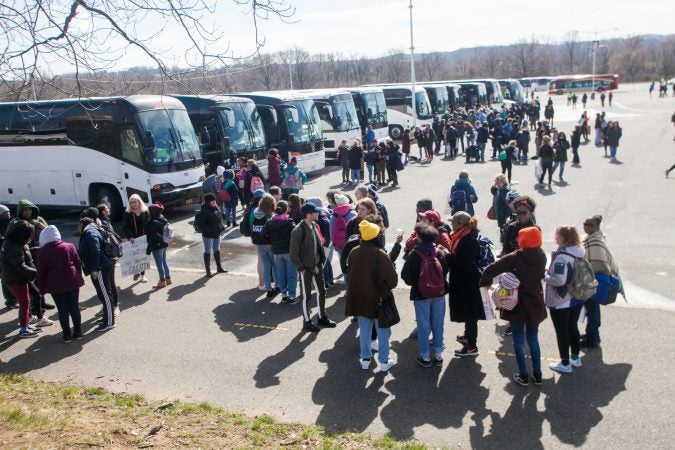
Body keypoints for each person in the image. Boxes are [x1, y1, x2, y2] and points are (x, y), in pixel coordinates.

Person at [480, 226, 547, 386]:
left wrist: (485, 284)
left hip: (516, 303)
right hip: (535, 302)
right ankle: (537, 374)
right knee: (533, 339)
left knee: (518, 340)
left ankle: (523, 375)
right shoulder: (542, 256)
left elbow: (491, 269)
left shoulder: (516, 257)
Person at [344, 219, 398, 372]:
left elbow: (349, 272)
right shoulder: (379, 254)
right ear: (376, 237)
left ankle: (365, 359)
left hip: (359, 298)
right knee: (383, 331)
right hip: (378, 299)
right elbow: (393, 281)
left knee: (364, 331)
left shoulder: (354, 252)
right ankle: (384, 361)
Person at [402, 223, 448, 367]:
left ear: (420, 238)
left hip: (421, 294)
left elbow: (406, 277)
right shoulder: (439, 252)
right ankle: (439, 355)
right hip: (439, 292)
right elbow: (444, 271)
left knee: (423, 325)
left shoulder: (414, 254)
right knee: (438, 323)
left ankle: (425, 356)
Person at [544, 226, 586, 374]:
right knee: (572, 327)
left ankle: (565, 362)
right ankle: (575, 357)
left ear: (564, 238)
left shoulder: (562, 256)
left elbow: (560, 280)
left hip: (562, 300)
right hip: (577, 297)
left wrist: (544, 277)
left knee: (561, 331)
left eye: (558, 235)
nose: (555, 237)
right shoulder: (579, 252)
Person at [290, 203, 335, 332]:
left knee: (322, 291)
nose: (318, 214)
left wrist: (321, 260)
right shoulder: (298, 230)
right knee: (306, 296)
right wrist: (301, 269)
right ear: (308, 214)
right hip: (306, 269)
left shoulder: (315, 225)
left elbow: (318, 245)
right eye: (315, 212)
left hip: (317, 265)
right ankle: (307, 321)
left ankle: (322, 317)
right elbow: (293, 254)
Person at [36, 225, 85, 342]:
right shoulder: (69, 246)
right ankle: (78, 333)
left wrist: (41, 287)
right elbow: (78, 262)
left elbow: (41, 272)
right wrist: (79, 276)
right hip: (72, 281)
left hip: (55, 285)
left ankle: (67, 335)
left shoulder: (42, 253)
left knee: (62, 310)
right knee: (74, 307)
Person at [446, 212, 484, 357]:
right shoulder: (463, 236)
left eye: (454, 222)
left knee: (471, 315)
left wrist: (449, 257)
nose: (451, 224)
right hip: (465, 282)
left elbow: (465, 265)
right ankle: (468, 337)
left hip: (469, 283)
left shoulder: (467, 240)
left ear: (461, 224)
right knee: (469, 314)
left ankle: (471, 347)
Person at [582, 215, 621, 348]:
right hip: (594, 280)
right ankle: (593, 335)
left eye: (590, 224)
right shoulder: (594, 238)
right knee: (593, 309)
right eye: (585, 223)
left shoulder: (595, 241)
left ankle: (592, 338)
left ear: (597, 226)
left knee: (592, 310)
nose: (586, 226)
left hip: (594, 281)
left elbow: (599, 265)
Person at [0, 220, 40, 337]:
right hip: (16, 280)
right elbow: (21, 267)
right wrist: (37, 272)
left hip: (14, 279)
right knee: (25, 302)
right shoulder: (15, 248)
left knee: (26, 301)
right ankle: (23, 329)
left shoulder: (9, 243)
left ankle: (26, 324)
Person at [78, 213, 115, 332]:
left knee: (105, 294)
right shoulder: (94, 229)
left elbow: (95, 250)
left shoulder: (90, 232)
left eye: (79, 225)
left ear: (83, 224)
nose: (78, 228)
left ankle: (109, 322)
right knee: (103, 293)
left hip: (101, 267)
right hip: (104, 265)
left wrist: (94, 268)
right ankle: (106, 318)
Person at [262, 200, 297, 304]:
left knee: (281, 273)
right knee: (291, 274)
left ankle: (284, 295)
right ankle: (292, 296)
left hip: (277, 252)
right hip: (289, 251)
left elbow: (262, 235)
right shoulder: (290, 222)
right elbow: (296, 235)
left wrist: (270, 242)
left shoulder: (270, 222)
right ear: (286, 210)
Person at [251, 194, 277, 298]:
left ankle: (267, 288)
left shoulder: (254, 212)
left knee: (266, 266)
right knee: (274, 265)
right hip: (268, 243)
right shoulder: (269, 215)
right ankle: (277, 285)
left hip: (257, 242)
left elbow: (250, 226)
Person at [96, 204, 120, 316]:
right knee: (108, 284)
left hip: (108, 257)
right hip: (111, 256)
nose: (109, 210)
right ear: (102, 212)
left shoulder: (103, 222)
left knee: (110, 284)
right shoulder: (104, 221)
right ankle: (109, 306)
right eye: (107, 209)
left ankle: (114, 306)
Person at [196, 193, 226, 277]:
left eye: (214, 200)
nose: (214, 202)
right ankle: (208, 271)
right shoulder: (204, 211)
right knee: (207, 251)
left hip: (217, 234)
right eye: (212, 201)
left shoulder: (216, 208)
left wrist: (221, 227)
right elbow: (202, 224)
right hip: (208, 235)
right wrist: (211, 231)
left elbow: (219, 219)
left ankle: (219, 267)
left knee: (217, 250)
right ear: (208, 202)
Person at [122, 193, 149, 283]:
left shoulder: (145, 211)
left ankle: (142, 276)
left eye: (134, 202)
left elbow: (148, 224)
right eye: (131, 202)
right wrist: (130, 237)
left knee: (143, 258)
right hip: (133, 239)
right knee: (135, 258)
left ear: (139, 202)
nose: (133, 204)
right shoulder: (128, 213)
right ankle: (136, 272)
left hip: (143, 238)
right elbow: (125, 227)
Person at [145, 204, 171, 289]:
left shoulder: (153, 222)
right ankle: (168, 279)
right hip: (164, 243)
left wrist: (148, 250)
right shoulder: (163, 218)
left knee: (159, 264)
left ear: (153, 212)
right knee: (164, 261)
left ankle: (162, 281)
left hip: (157, 246)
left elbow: (152, 238)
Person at [0, 204, 18, 309]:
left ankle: (15, 298)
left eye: (8, 213)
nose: (7, 215)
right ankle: (10, 300)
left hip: (13, 253)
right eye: (4, 214)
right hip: (3, 256)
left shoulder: (13, 222)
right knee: (5, 278)